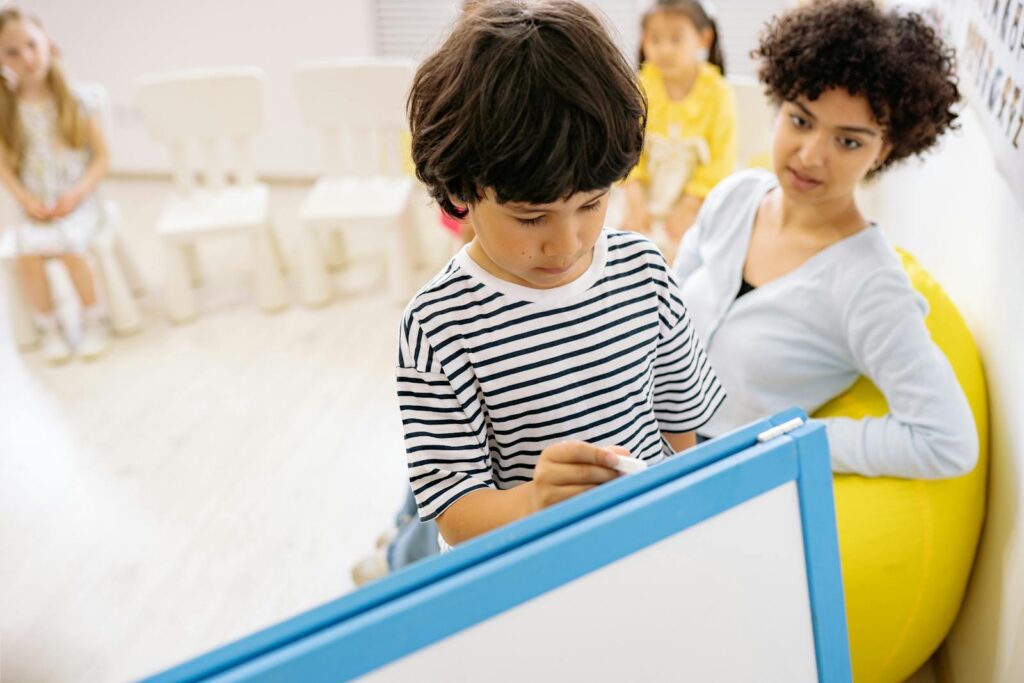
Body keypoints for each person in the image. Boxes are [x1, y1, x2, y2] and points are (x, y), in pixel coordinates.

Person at [351, 0, 724, 584]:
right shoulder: (438, 325)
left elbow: (680, 428)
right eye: (531, 219)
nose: (567, 243)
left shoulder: (645, 273)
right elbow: (454, 512)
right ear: (464, 192)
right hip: (528, 576)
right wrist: (533, 503)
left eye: (592, 204)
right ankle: (397, 561)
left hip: (643, 556)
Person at [673, 0, 977, 478]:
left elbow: (947, 443)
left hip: (714, 480)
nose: (811, 156)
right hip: (641, 435)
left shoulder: (870, 285)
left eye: (849, 141)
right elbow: (666, 315)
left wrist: (787, 440)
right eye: (800, 120)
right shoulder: (736, 196)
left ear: (885, 150)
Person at [0, 9, 111, 362]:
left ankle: (94, 318)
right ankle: (49, 326)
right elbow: (4, 167)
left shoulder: (77, 99)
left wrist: (76, 194)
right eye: (12, 52)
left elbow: (104, 158)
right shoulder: (6, 110)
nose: (27, 58)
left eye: (32, 45)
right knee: (27, 251)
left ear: (48, 43)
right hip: (37, 206)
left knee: (69, 244)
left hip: (80, 201)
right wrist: (26, 200)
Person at [620, 0, 736, 256]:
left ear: (703, 38)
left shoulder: (718, 92)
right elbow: (626, 146)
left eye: (676, 39)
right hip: (641, 191)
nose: (664, 50)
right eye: (655, 39)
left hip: (695, 196)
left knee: (695, 250)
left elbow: (721, 159)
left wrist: (689, 206)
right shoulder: (640, 86)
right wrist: (636, 200)